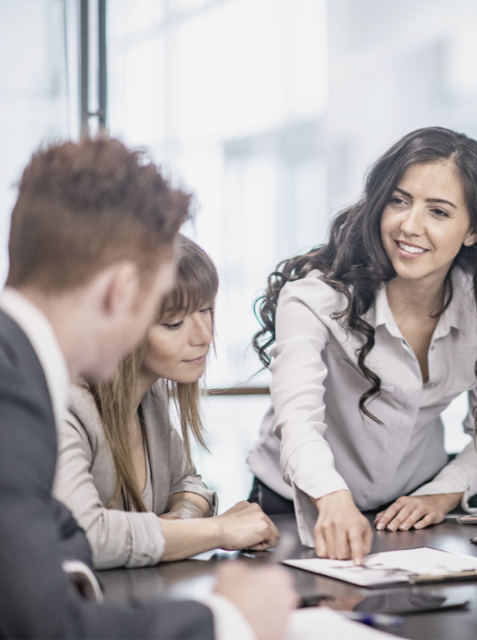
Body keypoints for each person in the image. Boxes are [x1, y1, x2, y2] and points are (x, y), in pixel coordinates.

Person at [0, 136, 294, 639]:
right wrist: (228, 619)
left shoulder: (20, 371)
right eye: (161, 306)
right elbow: (46, 628)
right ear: (120, 292)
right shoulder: (15, 394)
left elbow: (56, 553)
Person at [247, 126, 477, 563]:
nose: (409, 226)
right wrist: (332, 496)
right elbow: (297, 422)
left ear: (474, 231)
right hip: (297, 502)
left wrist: (439, 496)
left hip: (411, 508)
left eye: (439, 211)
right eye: (399, 201)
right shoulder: (315, 298)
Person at [53, 235, 279, 569]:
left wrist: (182, 519)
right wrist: (216, 530)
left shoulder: (150, 394)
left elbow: (188, 482)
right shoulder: (66, 405)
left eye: (206, 310)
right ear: (121, 327)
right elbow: (85, 535)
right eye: (174, 323)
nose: (204, 335)